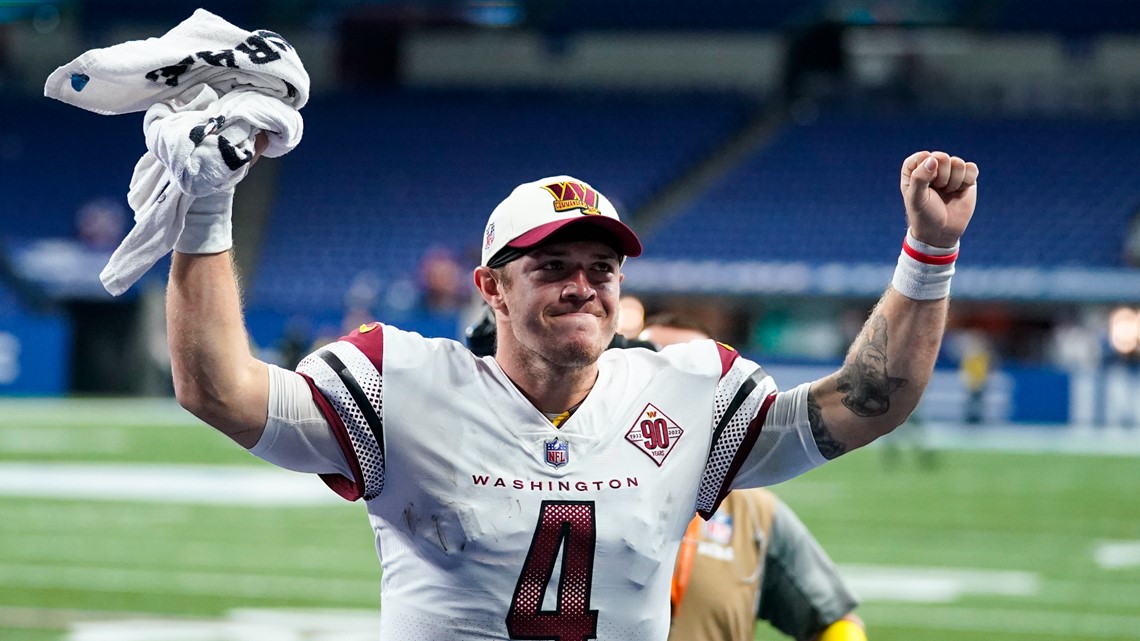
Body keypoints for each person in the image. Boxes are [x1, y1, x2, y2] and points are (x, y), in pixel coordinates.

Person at [166, 146, 978, 640]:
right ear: (491, 287)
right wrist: (205, 204)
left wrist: (929, 252)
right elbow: (218, 389)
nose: (582, 287)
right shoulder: (406, 384)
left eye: (601, 269)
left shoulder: (686, 389)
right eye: (551, 267)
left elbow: (870, 399)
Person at [636, 313, 865, 641]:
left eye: (686, 374)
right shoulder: (582, 489)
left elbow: (832, 619)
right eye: (655, 368)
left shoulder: (756, 515)